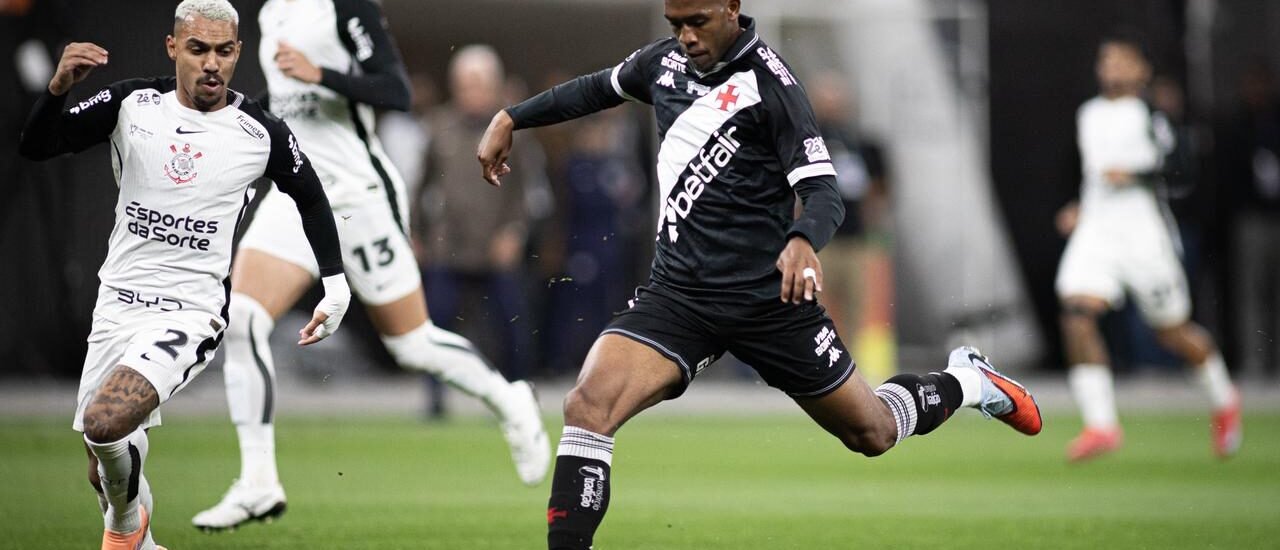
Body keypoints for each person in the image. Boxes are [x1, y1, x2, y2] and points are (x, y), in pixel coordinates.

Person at [476, 1, 1042, 548]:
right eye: (676, 23)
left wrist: (801, 240)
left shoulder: (772, 85)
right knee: (587, 406)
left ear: (731, 7)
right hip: (679, 298)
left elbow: (824, 192)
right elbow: (596, 88)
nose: (686, 37)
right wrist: (512, 116)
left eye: (698, 22)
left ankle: (968, 381)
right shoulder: (661, 63)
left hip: (770, 303)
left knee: (872, 432)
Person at [191, 0, 550, 532]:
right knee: (241, 318)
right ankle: (258, 481)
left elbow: (395, 91)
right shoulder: (270, 13)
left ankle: (509, 400)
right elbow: (287, 102)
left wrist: (321, 74)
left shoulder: (345, 6)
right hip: (297, 194)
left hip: (356, 196)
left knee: (412, 344)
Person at [17, 1, 352, 548]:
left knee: (106, 423)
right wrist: (57, 90)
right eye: (198, 49)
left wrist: (335, 286)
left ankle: (124, 532)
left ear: (238, 52)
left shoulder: (259, 131)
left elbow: (312, 198)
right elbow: (37, 147)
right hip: (117, 304)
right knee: (101, 464)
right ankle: (142, 539)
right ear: (173, 48)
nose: (211, 63)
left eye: (223, 51)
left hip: (189, 311)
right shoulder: (132, 104)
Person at [1054, 34, 1242, 462]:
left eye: (1123, 60)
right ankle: (1101, 425)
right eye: (1106, 59)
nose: (1112, 68)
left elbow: (1183, 169)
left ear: (1142, 70)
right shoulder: (1089, 113)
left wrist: (1136, 174)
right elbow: (1090, 174)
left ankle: (1224, 398)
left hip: (1143, 236)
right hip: (1097, 233)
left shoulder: (1152, 113)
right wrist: (1078, 206)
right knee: (1076, 313)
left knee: (1170, 331)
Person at [417, 45, 537, 384]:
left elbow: (527, 192)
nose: (471, 93)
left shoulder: (512, 129)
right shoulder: (438, 125)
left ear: (494, 86)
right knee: (437, 324)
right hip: (448, 244)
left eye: (478, 84)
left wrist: (515, 231)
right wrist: (416, 233)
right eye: (465, 85)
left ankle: (517, 389)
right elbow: (421, 185)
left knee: (511, 324)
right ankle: (434, 397)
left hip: (494, 243)